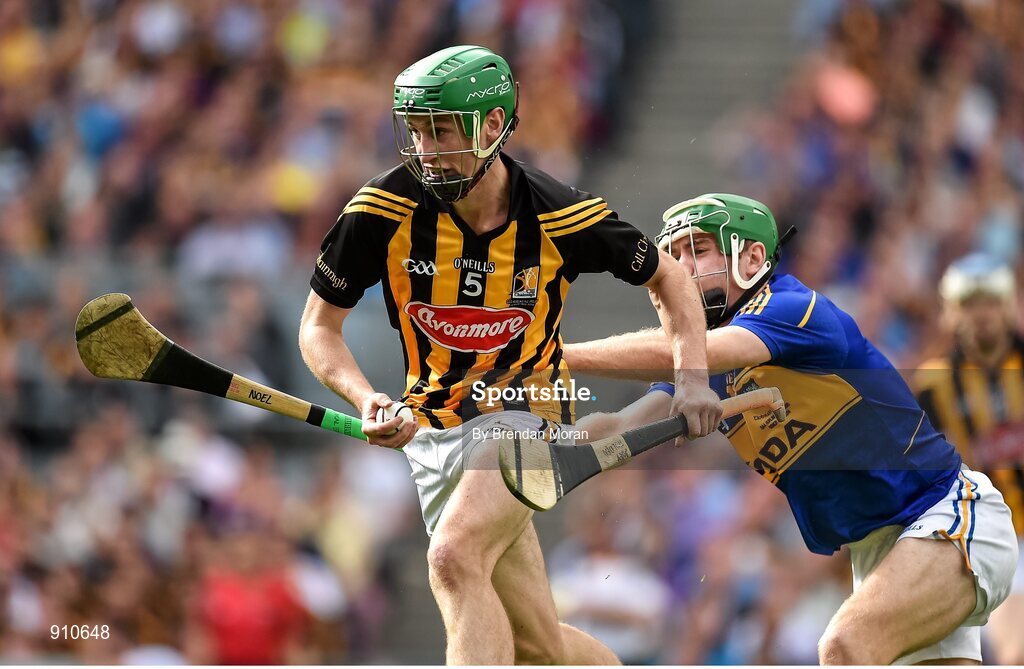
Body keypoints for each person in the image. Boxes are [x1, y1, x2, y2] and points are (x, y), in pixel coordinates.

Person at [297, 45, 722, 665]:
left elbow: (670, 278)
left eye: (440, 131)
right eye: (415, 131)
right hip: (433, 430)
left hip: (529, 413)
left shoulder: (559, 212)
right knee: (537, 645)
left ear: (492, 126)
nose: (424, 149)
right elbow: (318, 328)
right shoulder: (381, 209)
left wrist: (692, 378)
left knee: (452, 557)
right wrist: (367, 398)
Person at [563, 193, 1019, 665]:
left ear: (752, 257)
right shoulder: (706, 367)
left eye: (697, 250)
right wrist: (552, 441)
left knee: (844, 647)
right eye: (673, 256)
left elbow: (689, 352)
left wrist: (555, 355)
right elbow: (622, 425)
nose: (679, 269)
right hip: (884, 550)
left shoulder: (793, 309)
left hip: (949, 516)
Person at [914, 254, 1024, 665]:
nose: (982, 316)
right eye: (970, 304)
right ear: (951, 313)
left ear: (1009, 304)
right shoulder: (933, 385)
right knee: (1015, 654)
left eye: (991, 302)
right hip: (995, 538)